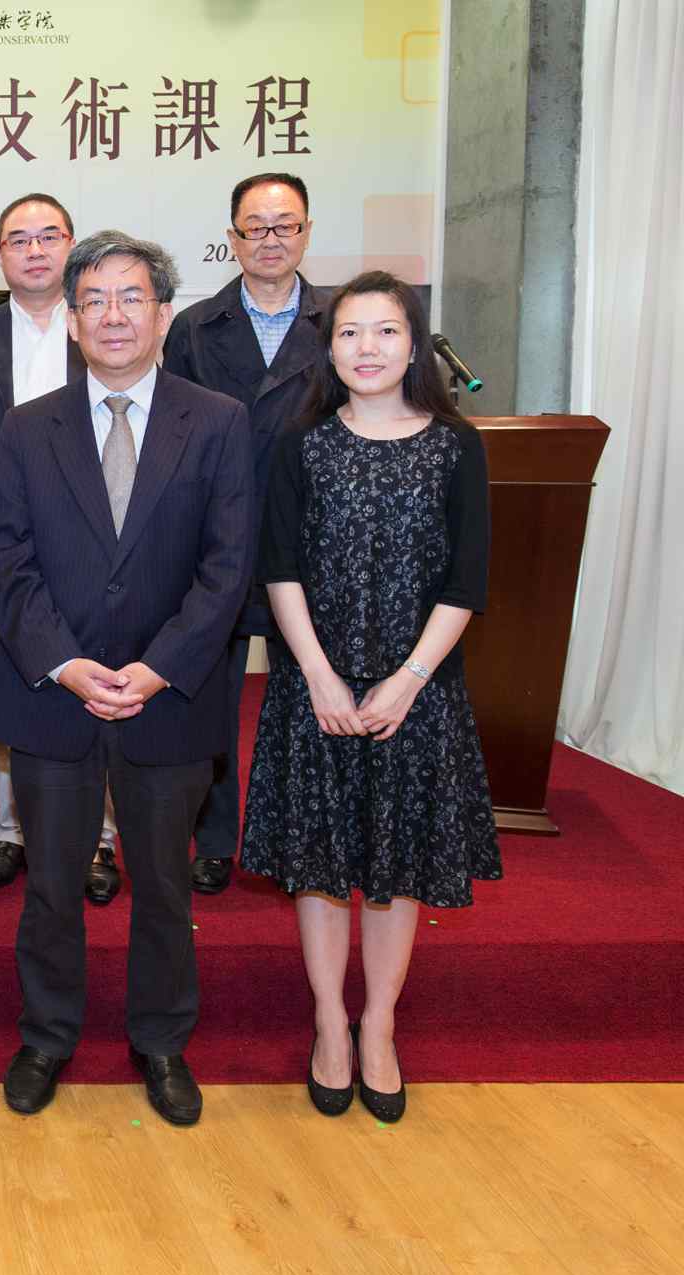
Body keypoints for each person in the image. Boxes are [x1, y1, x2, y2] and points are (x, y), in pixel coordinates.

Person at [0, 232, 253, 1127]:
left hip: (168, 698)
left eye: (131, 297)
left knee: (165, 886)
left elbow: (227, 566)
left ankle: (162, 1040)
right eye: (93, 300)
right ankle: (47, 1036)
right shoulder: (27, 428)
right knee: (52, 884)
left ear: (164, 314)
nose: (112, 316)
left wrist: (158, 667)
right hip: (52, 697)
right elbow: (8, 561)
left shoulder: (217, 421)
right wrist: (65, 664)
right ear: (71, 320)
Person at [240, 272, 500, 1123]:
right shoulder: (301, 447)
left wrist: (409, 680)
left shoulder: (457, 448)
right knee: (319, 868)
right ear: (329, 349)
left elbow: (466, 581)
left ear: (415, 344)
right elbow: (279, 567)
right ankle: (329, 1022)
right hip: (315, 686)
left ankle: (379, 1023)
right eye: (349, 333)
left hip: (416, 693)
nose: (367, 348)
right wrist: (317, 674)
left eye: (386, 331)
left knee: (398, 869)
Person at [0, 196, 127, 906]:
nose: (34, 251)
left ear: (71, 244)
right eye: (17, 240)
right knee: (7, 698)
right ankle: (11, 831)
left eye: (48, 236)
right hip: (6, 554)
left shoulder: (103, 325)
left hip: (101, 551)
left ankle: (100, 840)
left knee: (101, 690)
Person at [163, 172, 332, 897]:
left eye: (284, 225)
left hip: (313, 539)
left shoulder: (340, 321)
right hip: (218, 537)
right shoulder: (194, 327)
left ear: (307, 232)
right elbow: (173, 437)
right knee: (209, 702)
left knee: (311, 698)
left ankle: (303, 843)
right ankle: (213, 841)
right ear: (231, 238)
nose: (270, 240)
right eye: (255, 227)